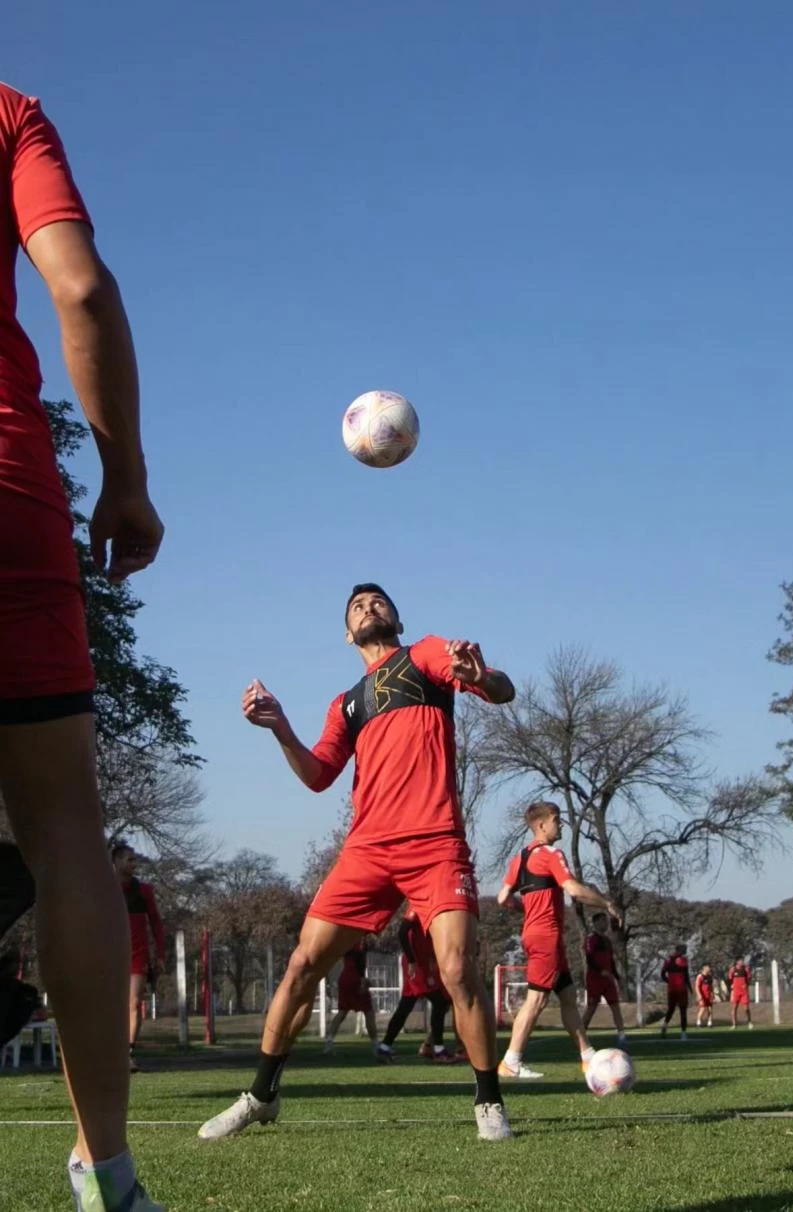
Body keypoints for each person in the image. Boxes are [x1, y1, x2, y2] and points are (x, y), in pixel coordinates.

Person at [0, 81, 165, 1212]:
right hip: (7, 494)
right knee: (64, 830)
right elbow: (83, 290)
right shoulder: (7, 111)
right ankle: (105, 1166)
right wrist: (127, 482)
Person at [199, 585, 515, 1142]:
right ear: (348, 633)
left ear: (395, 616)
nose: (369, 607)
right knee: (301, 967)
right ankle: (260, 1095)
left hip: (435, 843)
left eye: (378, 602)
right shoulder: (346, 702)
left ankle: (489, 1102)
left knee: (459, 970)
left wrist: (480, 675)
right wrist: (280, 728)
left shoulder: (426, 656)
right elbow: (320, 774)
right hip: (367, 851)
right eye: (357, 607)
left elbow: (502, 690)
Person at [496, 801, 619, 1080]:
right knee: (536, 1000)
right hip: (545, 936)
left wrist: (527, 908)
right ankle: (511, 1062)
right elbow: (573, 890)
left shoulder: (520, 859)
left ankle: (587, 1057)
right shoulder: (552, 854)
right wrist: (605, 903)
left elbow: (504, 898)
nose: (561, 825)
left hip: (534, 934)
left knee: (567, 998)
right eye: (557, 820)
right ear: (542, 824)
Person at [377, 906, 456, 1063]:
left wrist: (432, 956)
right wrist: (412, 960)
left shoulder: (432, 907)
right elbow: (402, 933)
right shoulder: (417, 907)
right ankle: (438, 1050)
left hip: (423, 962)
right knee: (440, 1002)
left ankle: (385, 1047)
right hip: (417, 964)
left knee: (407, 1005)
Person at [111, 844, 165, 1070]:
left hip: (137, 955)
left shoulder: (144, 890)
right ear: (116, 861)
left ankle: (128, 1052)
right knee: (112, 1005)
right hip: (111, 953)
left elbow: (155, 923)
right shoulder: (104, 887)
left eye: (135, 860)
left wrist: (160, 954)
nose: (133, 864)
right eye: (129, 860)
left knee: (134, 1002)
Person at [322, 940, 378, 1054]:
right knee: (368, 1011)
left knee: (342, 1012)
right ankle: (376, 1045)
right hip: (355, 978)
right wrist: (362, 979)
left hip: (345, 977)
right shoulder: (360, 940)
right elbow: (360, 960)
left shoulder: (347, 939)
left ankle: (328, 1042)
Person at [581, 911, 626, 1044]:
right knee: (592, 1007)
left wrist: (617, 977)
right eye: (602, 921)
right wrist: (600, 971)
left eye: (606, 921)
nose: (605, 924)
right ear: (595, 923)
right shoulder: (591, 939)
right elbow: (589, 958)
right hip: (595, 978)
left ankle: (622, 1035)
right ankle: (581, 1035)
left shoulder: (607, 940)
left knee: (615, 1006)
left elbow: (611, 960)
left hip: (608, 979)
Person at [659, 944, 690, 1040]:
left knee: (671, 1009)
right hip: (681, 989)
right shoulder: (683, 960)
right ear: (680, 949)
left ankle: (665, 1024)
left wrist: (669, 982)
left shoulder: (668, 960)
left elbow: (662, 974)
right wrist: (689, 987)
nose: (686, 950)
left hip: (672, 989)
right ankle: (683, 1033)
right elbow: (686, 975)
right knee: (682, 1011)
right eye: (684, 949)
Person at [727, 958, 753, 1029]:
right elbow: (729, 979)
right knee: (734, 1008)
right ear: (737, 962)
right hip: (736, 992)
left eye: (742, 961)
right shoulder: (733, 969)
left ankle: (749, 1022)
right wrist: (732, 987)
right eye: (740, 961)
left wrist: (746, 985)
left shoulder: (746, 969)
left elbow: (749, 978)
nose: (742, 962)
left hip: (744, 992)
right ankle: (734, 1024)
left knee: (746, 1008)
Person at [694, 964, 715, 1028]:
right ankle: (698, 1022)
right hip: (702, 995)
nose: (709, 968)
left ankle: (709, 1023)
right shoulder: (700, 976)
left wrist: (712, 993)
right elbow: (697, 986)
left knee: (710, 1009)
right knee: (702, 1008)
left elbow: (711, 986)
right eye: (708, 967)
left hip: (708, 994)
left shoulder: (710, 976)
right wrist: (699, 995)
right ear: (704, 968)